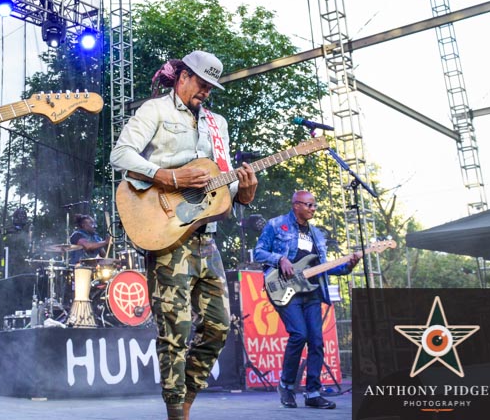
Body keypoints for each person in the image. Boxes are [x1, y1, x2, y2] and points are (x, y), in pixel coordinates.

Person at [110, 51, 257, 420]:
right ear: (183, 76)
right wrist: (168, 177)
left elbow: (222, 184)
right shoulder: (155, 111)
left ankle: (187, 399)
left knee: (220, 327)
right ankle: (176, 411)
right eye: (202, 84)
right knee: (174, 331)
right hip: (166, 236)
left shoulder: (216, 124)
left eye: (211, 87)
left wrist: (245, 193)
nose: (206, 92)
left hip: (205, 238)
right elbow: (121, 155)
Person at [253, 190, 361, 410]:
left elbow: (325, 267)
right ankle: (286, 385)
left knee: (316, 341)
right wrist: (280, 258)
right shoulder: (276, 225)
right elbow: (259, 252)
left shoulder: (317, 235)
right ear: (296, 205)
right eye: (309, 205)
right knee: (299, 334)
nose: (313, 209)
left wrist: (349, 265)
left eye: (314, 206)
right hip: (283, 288)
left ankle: (313, 392)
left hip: (311, 291)